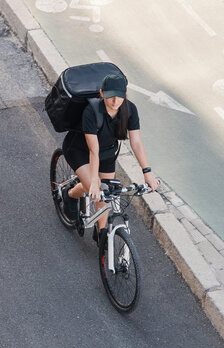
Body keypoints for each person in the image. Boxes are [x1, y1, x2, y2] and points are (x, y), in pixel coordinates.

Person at [61, 73, 159, 243]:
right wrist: (93, 182)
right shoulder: (91, 112)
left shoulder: (130, 109)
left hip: (107, 153)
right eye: (110, 96)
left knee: (105, 192)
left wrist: (147, 172)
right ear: (101, 93)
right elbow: (93, 149)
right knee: (96, 187)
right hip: (79, 150)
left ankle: (101, 233)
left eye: (119, 96)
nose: (115, 101)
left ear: (125, 93)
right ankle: (69, 195)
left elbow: (136, 142)